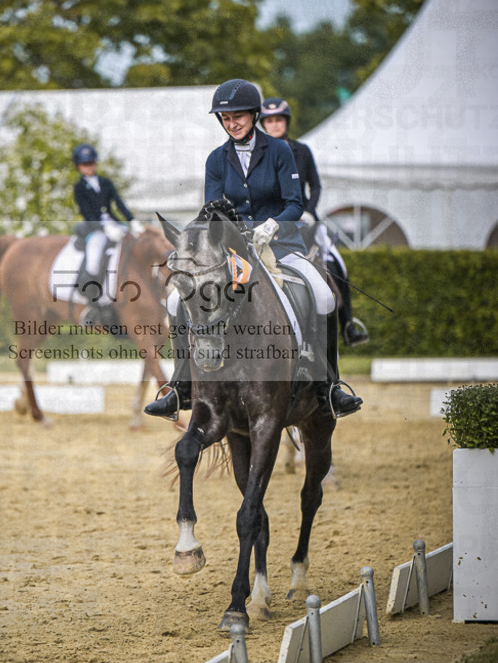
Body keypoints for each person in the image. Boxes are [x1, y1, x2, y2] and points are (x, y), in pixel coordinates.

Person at [145, 79, 362, 420]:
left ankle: (329, 386)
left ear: (254, 115)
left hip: (281, 243)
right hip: (234, 252)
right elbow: (212, 212)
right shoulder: (216, 159)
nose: (232, 123)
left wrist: (272, 225)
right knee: (175, 300)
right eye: (225, 118)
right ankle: (181, 386)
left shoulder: (279, 152)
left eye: (238, 116)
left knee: (323, 295)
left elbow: (295, 203)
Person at [259, 98, 370, 348]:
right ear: (264, 124)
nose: (274, 125)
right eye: (270, 121)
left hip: (305, 221)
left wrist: (308, 212)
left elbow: (315, 185)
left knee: (337, 263)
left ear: (286, 122)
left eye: (278, 120)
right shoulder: (260, 155)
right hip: (272, 224)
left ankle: (348, 324)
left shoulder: (302, 151)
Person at [72, 143, 143, 321]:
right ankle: (92, 303)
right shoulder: (79, 187)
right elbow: (86, 212)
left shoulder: (105, 182)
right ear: (79, 166)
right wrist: (104, 228)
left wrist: (132, 221)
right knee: (94, 261)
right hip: (95, 228)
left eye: (91, 163)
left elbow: (118, 203)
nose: (89, 167)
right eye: (85, 164)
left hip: (114, 224)